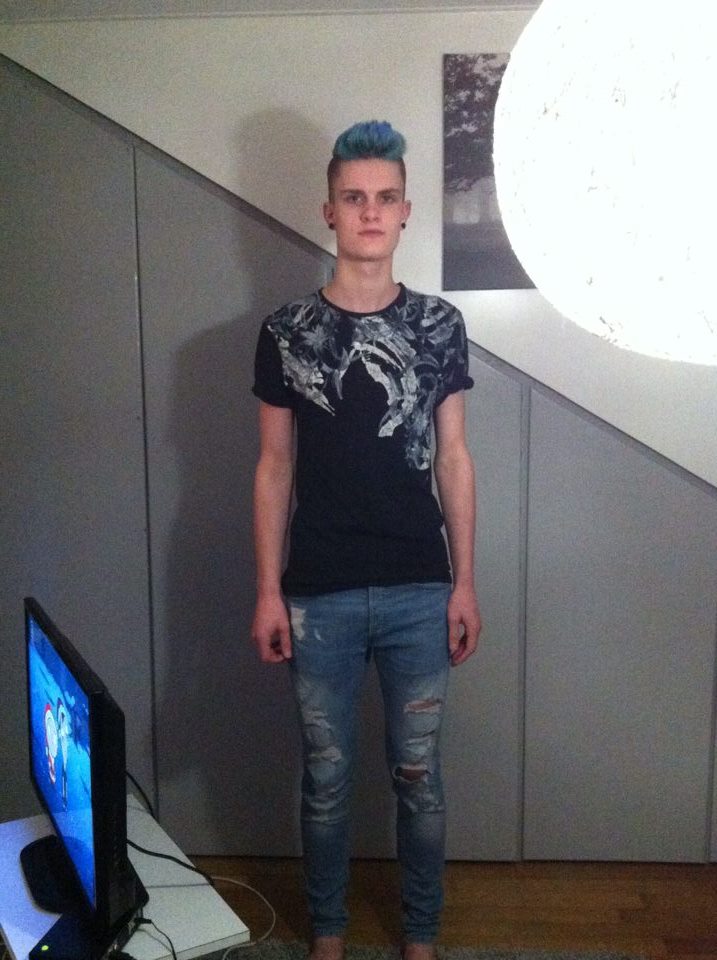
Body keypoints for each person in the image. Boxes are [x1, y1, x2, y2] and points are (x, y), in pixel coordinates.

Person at [251, 120, 481, 960]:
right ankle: (328, 934)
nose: (370, 212)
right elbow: (274, 467)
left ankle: (420, 935)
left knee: (418, 780)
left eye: (385, 198)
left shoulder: (438, 325)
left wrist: (464, 582)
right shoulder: (285, 331)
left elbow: (452, 457)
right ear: (329, 211)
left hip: (421, 585)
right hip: (319, 591)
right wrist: (267, 590)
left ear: (406, 211)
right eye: (354, 198)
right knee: (326, 779)